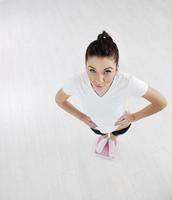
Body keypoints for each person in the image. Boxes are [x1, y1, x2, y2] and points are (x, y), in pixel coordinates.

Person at [55, 30, 168, 159]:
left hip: (119, 124)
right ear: (85, 66)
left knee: (116, 133)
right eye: (92, 70)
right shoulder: (77, 82)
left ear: (117, 68)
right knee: (101, 132)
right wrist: (81, 117)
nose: (99, 79)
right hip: (95, 124)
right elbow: (59, 100)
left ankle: (113, 139)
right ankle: (103, 137)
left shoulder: (127, 82)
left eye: (107, 71)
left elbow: (161, 102)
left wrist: (134, 117)